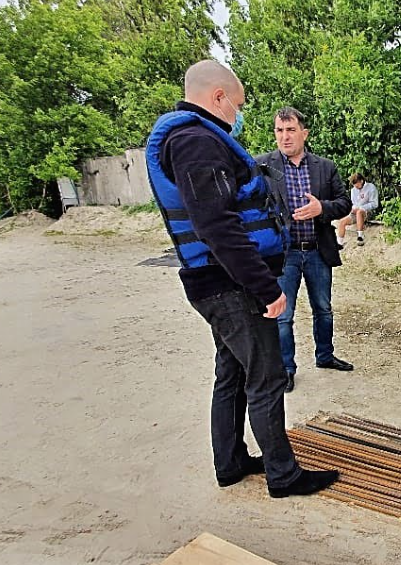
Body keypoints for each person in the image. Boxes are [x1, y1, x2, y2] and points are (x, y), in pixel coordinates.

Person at [144, 60, 337, 496]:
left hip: (219, 280)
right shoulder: (195, 141)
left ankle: (230, 461)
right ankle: (284, 476)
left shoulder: (187, 138)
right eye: (238, 103)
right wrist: (265, 287)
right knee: (266, 377)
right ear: (218, 97)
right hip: (229, 284)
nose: (239, 113)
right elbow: (218, 225)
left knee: (230, 371)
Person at [255, 107, 354, 393]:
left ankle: (324, 355)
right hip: (283, 255)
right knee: (283, 315)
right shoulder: (262, 166)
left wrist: (321, 208)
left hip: (317, 251)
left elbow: (344, 203)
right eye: (279, 130)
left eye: (290, 130)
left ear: (304, 133)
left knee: (323, 309)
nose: (284, 137)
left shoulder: (325, 167)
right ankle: (286, 368)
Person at [337, 173, 379, 247]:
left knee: (359, 212)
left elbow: (375, 204)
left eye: (356, 184)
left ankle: (360, 236)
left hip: (368, 211)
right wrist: (352, 209)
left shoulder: (371, 187)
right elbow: (353, 203)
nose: (355, 186)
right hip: (355, 212)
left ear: (361, 181)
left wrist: (361, 208)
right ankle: (339, 243)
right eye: (354, 185)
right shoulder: (353, 190)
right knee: (342, 222)